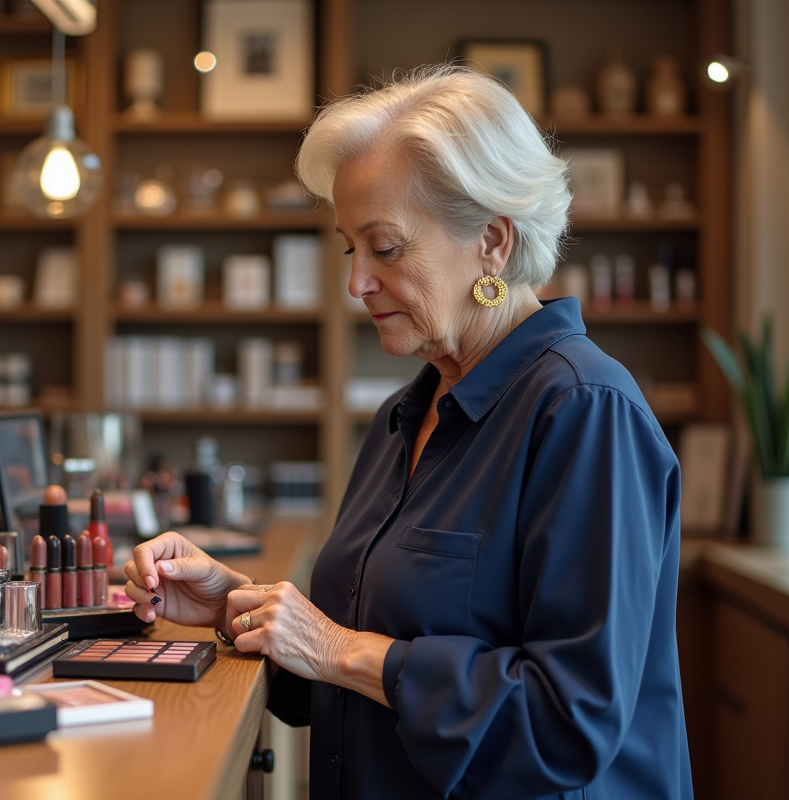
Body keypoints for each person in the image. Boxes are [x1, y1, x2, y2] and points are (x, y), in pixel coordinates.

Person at [124, 65, 691, 800]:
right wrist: (239, 606)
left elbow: (568, 723)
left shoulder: (584, 410)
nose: (356, 283)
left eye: (385, 248)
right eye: (347, 248)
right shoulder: (405, 414)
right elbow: (343, 677)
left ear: (492, 241)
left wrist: (337, 648)